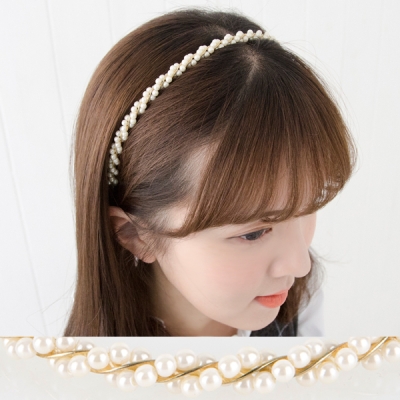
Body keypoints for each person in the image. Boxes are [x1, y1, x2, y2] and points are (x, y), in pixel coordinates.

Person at [64, 8, 357, 336]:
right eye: (253, 233)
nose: (300, 264)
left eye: (309, 208)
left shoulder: (299, 305)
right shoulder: (86, 363)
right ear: (135, 235)